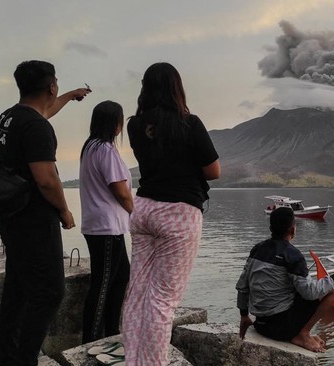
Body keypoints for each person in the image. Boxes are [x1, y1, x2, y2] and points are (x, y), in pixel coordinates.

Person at [121, 62, 220, 365]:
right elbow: (213, 171)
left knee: (137, 292)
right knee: (163, 300)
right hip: (178, 213)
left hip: (144, 208)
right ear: (177, 87)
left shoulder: (134, 125)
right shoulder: (189, 123)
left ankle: (133, 360)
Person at [0, 60, 91, 366]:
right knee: (50, 292)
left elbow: (45, 110)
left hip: (12, 217)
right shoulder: (37, 127)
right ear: (51, 86)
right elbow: (47, 179)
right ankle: (25, 360)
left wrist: (72, 95)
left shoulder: (10, 117)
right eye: (58, 85)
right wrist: (64, 210)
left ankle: (7, 357)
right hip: (34, 221)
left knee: (18, 287)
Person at [236, 207, 334, 353]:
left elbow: (243, 286)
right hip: (281, 329)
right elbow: (310, 293)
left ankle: (301, 333)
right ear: (293, 230)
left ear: (271, 228)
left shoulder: (257, 249)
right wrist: (333, 279)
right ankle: (302, 334)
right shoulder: (292, 255)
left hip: (260, 325)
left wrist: (244, 316)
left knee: (294, 289)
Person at [79, 101, 132, 343]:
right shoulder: (106, 150)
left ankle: (112, 333)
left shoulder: (90, 146)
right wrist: (137, 213)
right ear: (115, 123)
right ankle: (90, 341)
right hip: (106, 227)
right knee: (103, 284)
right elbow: (120, 190)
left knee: (121, 277)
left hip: (100, 225)